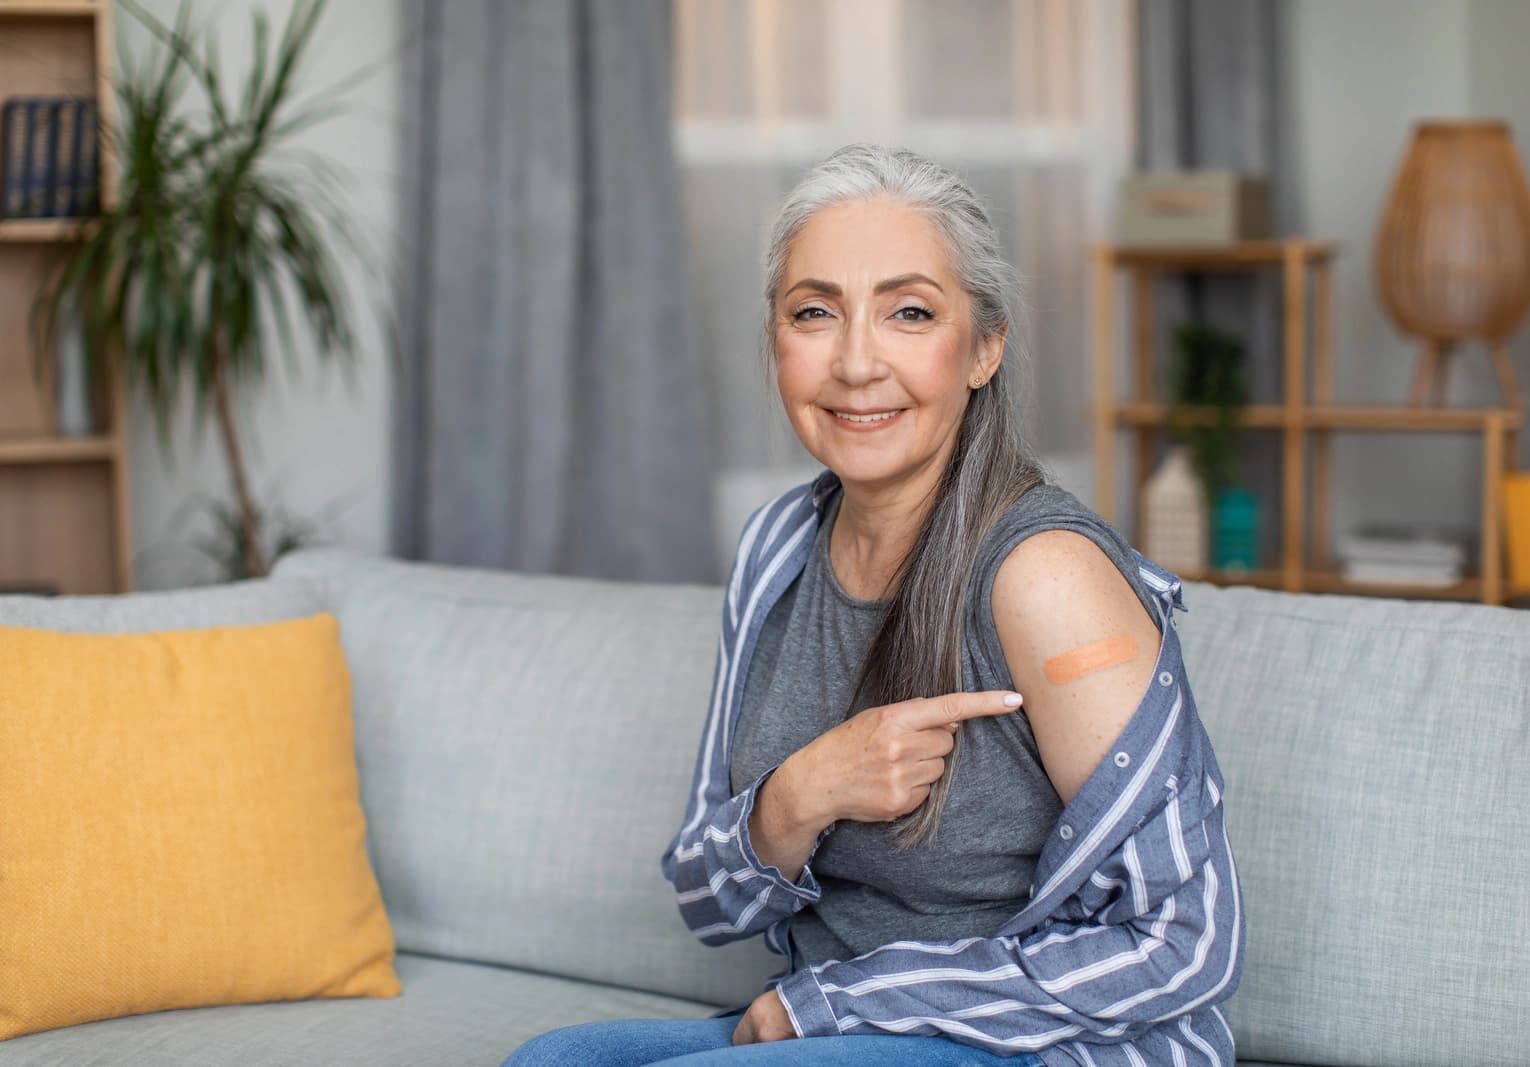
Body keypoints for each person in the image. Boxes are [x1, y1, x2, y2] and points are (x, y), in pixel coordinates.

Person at [501, 143, 1242, 1067]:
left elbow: (1184, 945)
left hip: (1034, 1047)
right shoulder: (779, 548)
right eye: (815, 311)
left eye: (910, 312)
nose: (856, 362)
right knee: (551, 1061)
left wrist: (835, 1002)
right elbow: (707, 897)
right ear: (774, 338)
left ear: (983, 347)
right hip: (838, 1028)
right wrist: (804, 790)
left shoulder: (1043, 574)